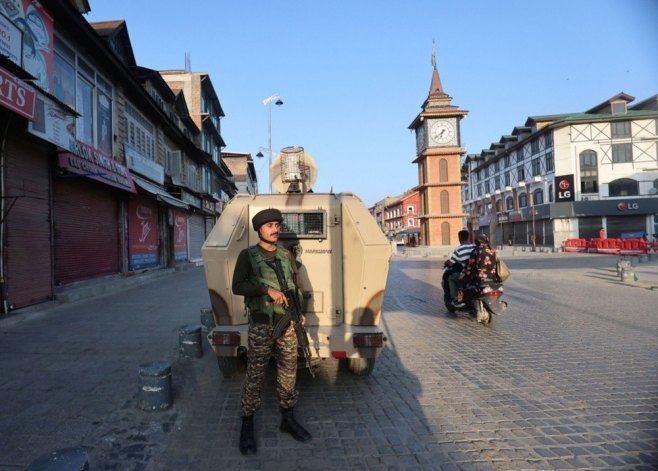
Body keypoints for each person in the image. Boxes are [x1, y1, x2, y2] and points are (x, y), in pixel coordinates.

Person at [232, 208, 312, 455]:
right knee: (256, 374)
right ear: (259, 229)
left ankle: (287, 418)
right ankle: (247, 423)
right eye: (270, 226)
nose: (275, 229)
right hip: (261, 325)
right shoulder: (248, 256)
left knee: (288, 371)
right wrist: (267, 291)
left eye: (277, 225)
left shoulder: (286, 255)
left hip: (287, 323)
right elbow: (237, 286)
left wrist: (299, 313)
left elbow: (295, 286)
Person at [455, 233, 500, 322]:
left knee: (461, 282)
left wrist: (464, 274)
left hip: (479, 277)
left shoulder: (476, 250)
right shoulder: (492, 250)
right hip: (492, 277)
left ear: (477, 241)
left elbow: (470, 265)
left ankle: (460, 300)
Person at [444, 229, 475, 305]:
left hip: (467, 272)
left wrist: (447, 261)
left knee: (451, 278)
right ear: (468, 237)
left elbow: (451, 263)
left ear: (460, 238)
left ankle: (455, 298)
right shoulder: (474, 246)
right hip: (476, 272)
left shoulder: (458, 249)